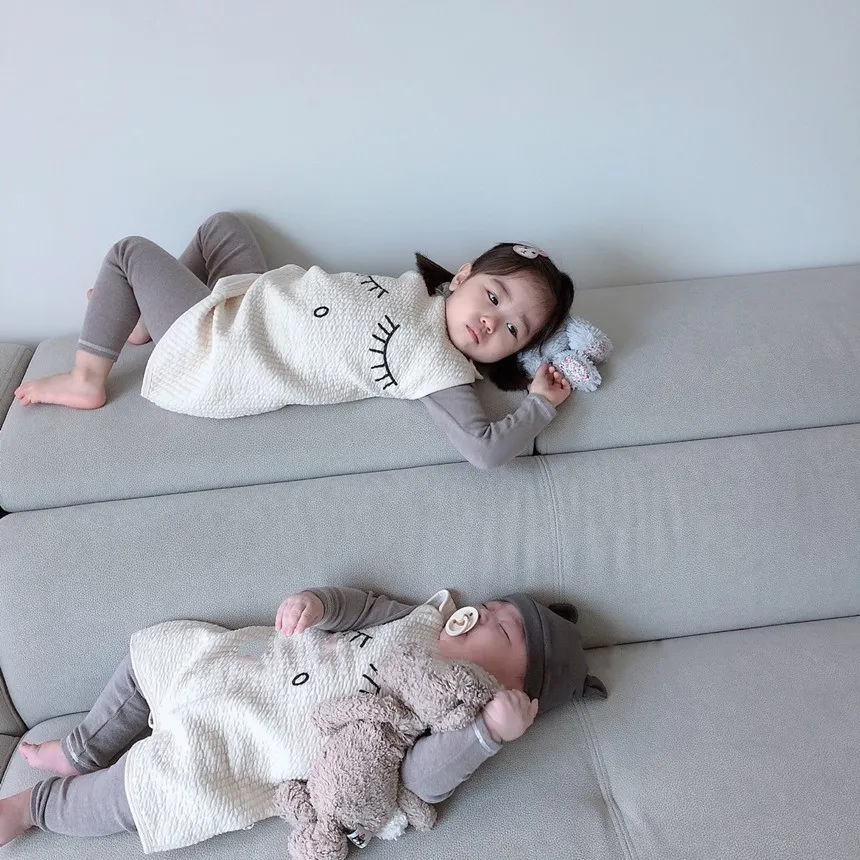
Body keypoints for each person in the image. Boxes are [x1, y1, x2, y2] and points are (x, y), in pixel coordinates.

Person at [0, 586, 606, 851]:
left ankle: (33, 807)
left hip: (253, 743)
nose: (480, 616)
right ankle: (82, 749)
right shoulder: (418, 619)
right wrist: (319, 603)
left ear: (511, 688)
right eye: (491, 606)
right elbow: (361, 607)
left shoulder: (454, 712)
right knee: (156, 655)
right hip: (250, 668)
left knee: (143, 794)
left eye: (501, 630)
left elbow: (420, 781)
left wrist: (488, 733)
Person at [14, 213, 575, 468]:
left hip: (227, 347)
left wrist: (540, 406)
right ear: (463, 274)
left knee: (128, 252)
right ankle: (145, 321)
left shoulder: (440, 366)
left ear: (517, 352)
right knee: (223, 227)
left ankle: (87, 377)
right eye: (493, 297)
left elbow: (485, 449)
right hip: (254, 300)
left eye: (513, 330)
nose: (491, 323)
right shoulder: (425, 300)